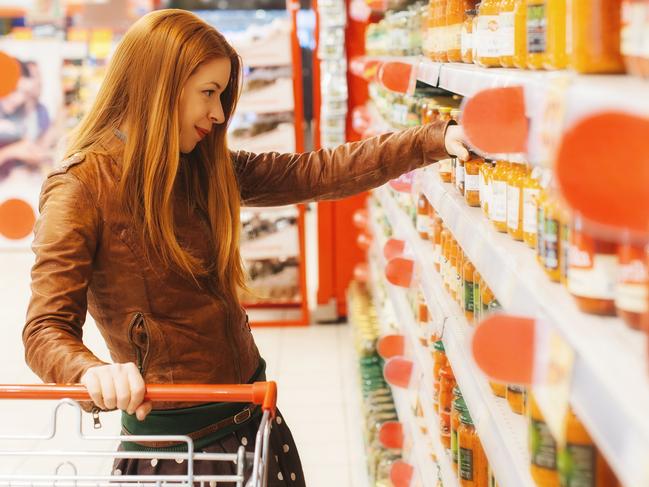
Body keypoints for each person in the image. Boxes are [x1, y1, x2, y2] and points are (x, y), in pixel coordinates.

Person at [22, 8, 468, 483]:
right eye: (208, 94)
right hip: (179, 448)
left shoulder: (196, 166)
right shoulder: (80, 187)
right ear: (158, 86)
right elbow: (44, 328)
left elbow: (315, 171)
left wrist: (435, 139)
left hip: (252, 417)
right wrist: (91, 373)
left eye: (222, 96)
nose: (217, 115)